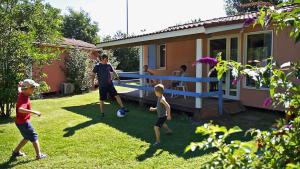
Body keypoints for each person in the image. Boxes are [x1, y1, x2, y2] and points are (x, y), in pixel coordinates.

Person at [11, 79, 47, 160]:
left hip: (19, 122)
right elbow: (20, 109)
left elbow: (20, 89)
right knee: (34, 136)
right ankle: (39, 155)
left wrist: (20, 85)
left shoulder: (22, 93)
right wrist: (34, 112)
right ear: (28, 89)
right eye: (33, 88)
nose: (34, 89)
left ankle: (16, 152)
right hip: (24, 122)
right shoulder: (23, 98)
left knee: (26, 137)